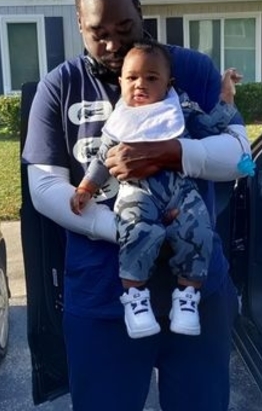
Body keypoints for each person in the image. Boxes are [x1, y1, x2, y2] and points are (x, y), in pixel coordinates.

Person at [22, 0, 252, 411]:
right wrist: (126, 231)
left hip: (196, 293)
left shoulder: (189, 68)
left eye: (124, 28)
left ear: (141, 14)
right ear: (79, 26)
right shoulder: (60, 86)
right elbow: (44, 188)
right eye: (97, 33)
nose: (112, 44)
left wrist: (176, 153)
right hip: (102, 299)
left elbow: (241, 157)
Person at [70, 40, 241, 339]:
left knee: (198, 228)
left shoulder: (180, 107)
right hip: (137, 191)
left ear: (168, 84)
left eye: (151, 78)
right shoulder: (121, 118)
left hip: (181, 189)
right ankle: (135, 298)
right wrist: (87, 186)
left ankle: (187, 296)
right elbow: (102, 157)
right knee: (135, 231)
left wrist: (226, 98)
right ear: (121, 82)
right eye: (132, 77)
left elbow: (209, 126)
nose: (140, 84)